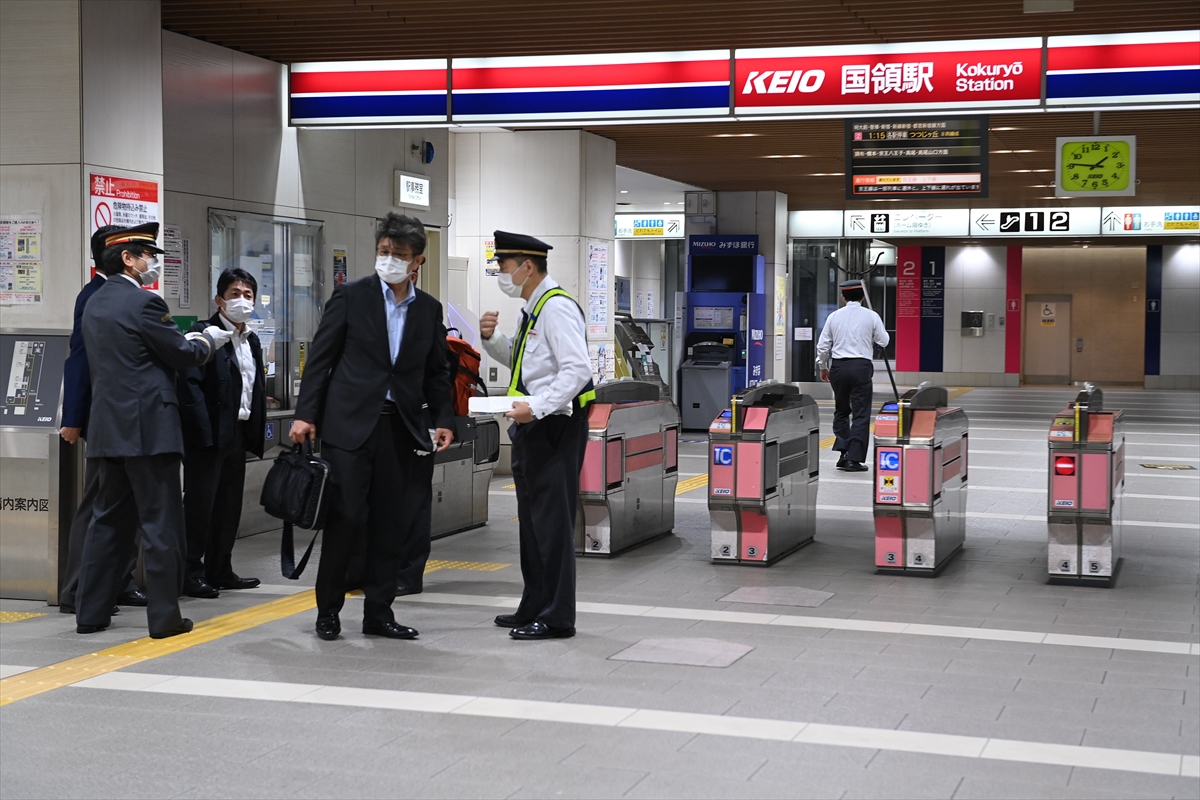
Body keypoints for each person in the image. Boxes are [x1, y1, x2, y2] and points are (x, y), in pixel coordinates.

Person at [291, 212, 454, 642]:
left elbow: (437, 372)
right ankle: (328, 612)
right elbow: (320, 361)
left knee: (390, 524)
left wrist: (443, 421)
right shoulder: (351, 297)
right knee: (344, 520)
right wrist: (305, 414)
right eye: (384, 252)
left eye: (399, 255)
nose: (389, 261)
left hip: (401, 431)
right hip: (348, 429)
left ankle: (379, 613)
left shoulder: (429, 309)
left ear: (417, 261)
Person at [74, 222, 232, 638]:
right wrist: (207, 340)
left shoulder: (93, 303)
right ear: (127, 258)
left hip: (108, 430)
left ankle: (90, 613)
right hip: (150, 431)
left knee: (106, 523)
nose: (151, 264)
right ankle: (165, 619)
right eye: (146, 255)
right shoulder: (143, 303)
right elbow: (181, 353)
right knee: (161, 524)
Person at [479, 230, 594, 640]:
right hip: (533, 426)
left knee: (552, 523)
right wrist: (492, 340)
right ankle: (534, 603)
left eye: (504, 267)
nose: (501, 275)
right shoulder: (534, 307)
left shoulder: (556, 307)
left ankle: (558, 615)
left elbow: (576, 370)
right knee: (532, 522)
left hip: (554, 427)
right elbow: (527, 365)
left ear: (527, 267)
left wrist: (538, 407)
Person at [58, 225, 145, 615]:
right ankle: (77, 591)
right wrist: (73, 417)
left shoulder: (131, 294)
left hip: (129, 419)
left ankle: (118, 581)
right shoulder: (92, 296)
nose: (148, 261)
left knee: (127, 504)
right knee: (98, 504)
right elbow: (79, 358)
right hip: (102, 418)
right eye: (140, 251)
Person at [178, 268, 266, 599]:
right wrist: (203, 435)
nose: (241, 300)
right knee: (200, 505)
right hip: (209, 437)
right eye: (234, 294)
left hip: (238, 433)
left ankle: (221, 568)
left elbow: (252, 387)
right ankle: (190, 571)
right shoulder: (204, 335)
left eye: (247, 295)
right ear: (219, 299)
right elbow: (190, 388)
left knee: (228, 505)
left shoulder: (251, 339)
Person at [816, 280, 890, 473]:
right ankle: (853, 458)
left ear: (843, 296)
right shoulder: (872, 316)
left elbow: (823, 346)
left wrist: (823, 367)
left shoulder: (834, 316)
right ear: (863, 296)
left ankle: (843, 451)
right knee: (861, 413)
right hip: (861, 367)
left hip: (839, 367)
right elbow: (884, 340)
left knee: (841, 409)